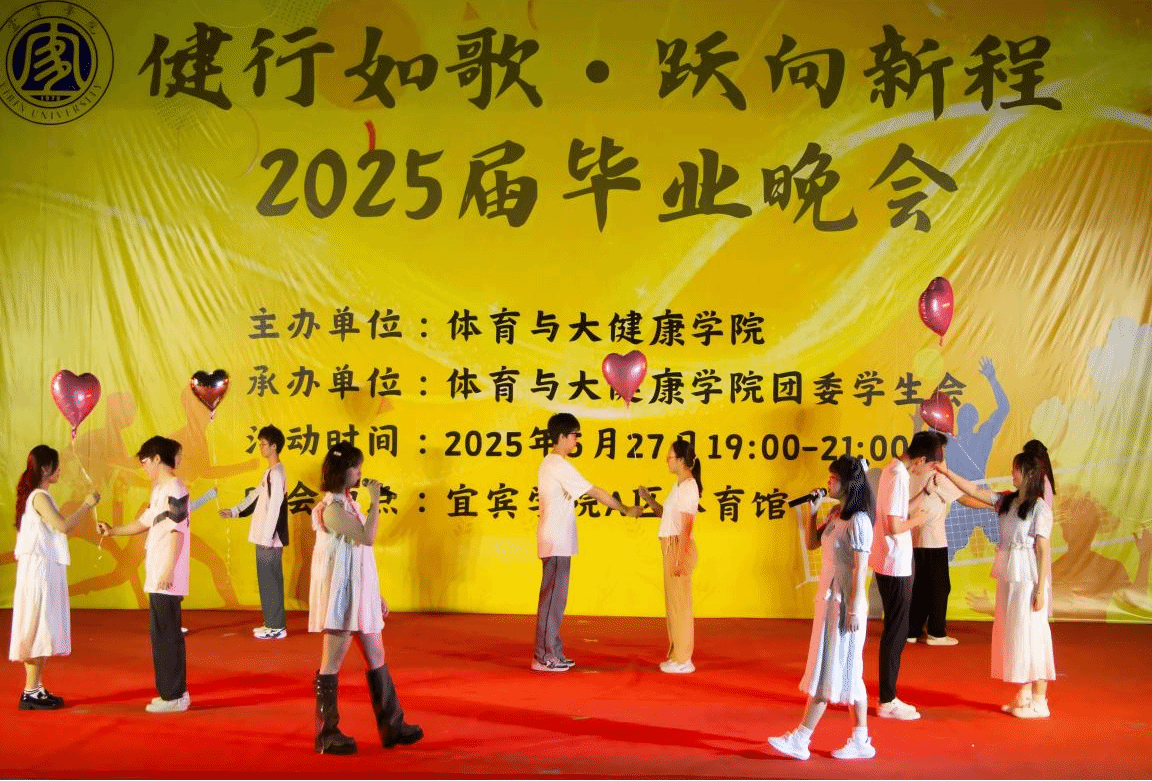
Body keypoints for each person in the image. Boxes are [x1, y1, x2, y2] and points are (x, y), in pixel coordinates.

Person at [308, 443, 422, 755]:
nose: (360, 473)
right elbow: (367, 538)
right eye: (355, 467)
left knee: (377, 655)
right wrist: (375, 502)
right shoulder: (331, 509)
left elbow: (361, 556)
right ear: (341, 471)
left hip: (360, 593)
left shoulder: (348, 504)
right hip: (342, 598)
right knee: (331, 663)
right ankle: (326, 734)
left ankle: (392, 726)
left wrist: (375, 593)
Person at [768, 456, 876, 761]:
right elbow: (812, 543)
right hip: (829, 597)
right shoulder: (836, 513)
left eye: (833, 478)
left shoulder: (859, 521)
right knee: (850, 670)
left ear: (848, 483)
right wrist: (813, 511)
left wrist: (854, 609)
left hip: (845, 602)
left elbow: (860, 568)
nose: (828, 482)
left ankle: (801, 737)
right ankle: (861, 739)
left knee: (830, 667)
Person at [934, 451, 1055, 718]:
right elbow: (975, 491)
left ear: (1029, 474)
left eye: (1016, 470)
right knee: (1015, 632)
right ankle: (1024, 694)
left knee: (1033, 633)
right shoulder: (1007, 501)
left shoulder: (1039, 508)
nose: (1012, 474)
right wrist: (946, 471)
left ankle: (1040, 700)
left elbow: (1044, 550)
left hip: (1028, 577)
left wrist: (1040, 589)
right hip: (1009, 573)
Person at [533, 413, 641, 673]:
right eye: (575, 435)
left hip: (558, 541)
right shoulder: (557, 464)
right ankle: (544, 657)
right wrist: (625, 509)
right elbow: (594, 491)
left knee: (556, 600)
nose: (577, 440)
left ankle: (552, 651)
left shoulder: (554, 463)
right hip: (556, 541)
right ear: (561, 436)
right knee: (552, 601)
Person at [98, 436, 191, 713]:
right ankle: (170, 693)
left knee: (167, 635)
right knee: (161, 634)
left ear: (157, 459)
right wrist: (113, 530)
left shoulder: (175, 487)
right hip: (158, 571)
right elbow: (143, 522)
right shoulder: (160, 489)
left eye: (146, 462)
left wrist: (168, 570)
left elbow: (177, 531)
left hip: (166, 574)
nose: (144, 467)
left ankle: (175, 696)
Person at [9, 445, 100, 710]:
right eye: (57, 466)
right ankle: (30, 692)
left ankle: (35, 688)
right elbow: (62, 526)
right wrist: (86, 505)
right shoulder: (39, 497)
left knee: (42, 627)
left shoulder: (40, 497)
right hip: (38, 572)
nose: (60, 471)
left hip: (43, 569)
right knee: (37, 627)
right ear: (46, 468)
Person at [868, 431, 934, 720]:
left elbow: (893, 514)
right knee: (896, 631)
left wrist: (918, 504)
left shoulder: (892, 470)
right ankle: (887, 700)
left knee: (895, 629)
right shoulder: (898, 476)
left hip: (891, 560)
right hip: (894, 562)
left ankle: (888, 696)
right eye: (928, 465)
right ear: (920, 459)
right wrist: (918, 520)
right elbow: (894, 525)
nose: (926, 470)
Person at [907, 432, 994, 646]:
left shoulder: (911, 472)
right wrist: (994, 505)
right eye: (941, 450)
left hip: (916, 538)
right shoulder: (936, 476)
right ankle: (936, 633)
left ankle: (912, 630)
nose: (943, 455)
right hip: (934, 541)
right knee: (940, 587)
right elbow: (965, 498)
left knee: (920, 587)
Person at [219, 425, 289, 640]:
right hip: (263, 536)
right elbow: (254, 497)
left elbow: (276, 506)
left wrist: (268, 537)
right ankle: (270, 624)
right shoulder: (269, 472)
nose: (261, 447)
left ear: (274, 446)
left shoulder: (277, 473)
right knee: (266, 581)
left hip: (270, 538)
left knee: (271, 582)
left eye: (264, 444)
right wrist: (234, 511)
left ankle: (277, 627)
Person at [637, 440, 701, 674]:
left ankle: (684, 659)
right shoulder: (678, 486)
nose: (667, 461)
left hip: (678, 546)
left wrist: (679, 557)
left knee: (680, 604)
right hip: (670, 545)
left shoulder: (689, 487)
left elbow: (686, 525)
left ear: (681, 460)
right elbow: (666, 515)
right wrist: (649, 500)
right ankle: (677, 655)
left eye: (670, 457)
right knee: (673, 604)